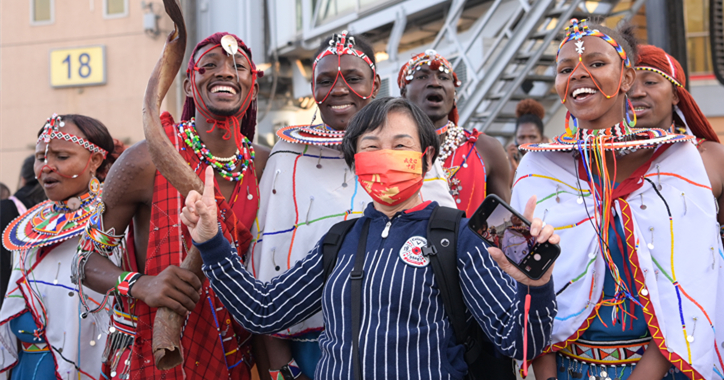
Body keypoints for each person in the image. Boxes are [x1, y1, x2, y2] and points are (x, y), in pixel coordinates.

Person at [184, 97, 559, 379]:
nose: (385, 157)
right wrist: (212, 241)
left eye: (400, 145)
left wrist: (535, 284)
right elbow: (262, 310)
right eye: (371, 146)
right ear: (354, 161)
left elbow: (520, 343)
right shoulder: (339, 241)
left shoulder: (455, 235)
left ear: (426, 158)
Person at [519, 19, 724, 379]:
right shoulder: (536, 168)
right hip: (565, 369)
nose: (578, 74)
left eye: (597, 63)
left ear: (628, 76)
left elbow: (694, 283)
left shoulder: (677, 161)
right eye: (565, 68)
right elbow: (529, 286)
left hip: (662, 368)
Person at [252, 32, 456, 379]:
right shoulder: (287, 155)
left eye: (354, 77)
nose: (339, 90)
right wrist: (284, 366)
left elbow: (444, 243)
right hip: (312, 350)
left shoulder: (409, 148)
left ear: (375, 83)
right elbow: (267, 262)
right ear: (313, 89)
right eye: (326, 80)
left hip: (408, 340)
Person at [74, 32, 269, 380]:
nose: (225, 72)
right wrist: (141, 285)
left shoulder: (269, 165)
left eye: (238, 66)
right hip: (158, 355)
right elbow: (84, 261)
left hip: (242, 354)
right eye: (209, 65)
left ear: (252, 88)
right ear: (190, 85)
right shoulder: (145, 160)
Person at [0, 114, 120, 380]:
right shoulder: (36, 223)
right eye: (41, 157)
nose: (46, 167)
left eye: (61, 157)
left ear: (96, 160)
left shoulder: (113, 221)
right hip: (25, 367)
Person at [630, 44, 724, 290]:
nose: (637, 92)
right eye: (627, 84)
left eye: (650, 82)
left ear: (675, 95)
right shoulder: (598, 160)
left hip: (701, 312)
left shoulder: (714, 159)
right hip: (624, 319)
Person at [400, 50, 512, 215]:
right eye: (422, 77)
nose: (435, 83)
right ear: (404, 95)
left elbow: (504, 224)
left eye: (444, 78)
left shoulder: (486, 148)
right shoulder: (390, 150)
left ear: (455, 95)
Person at [0, 155, 47, 306]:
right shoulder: (60, 213)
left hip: (7, 296)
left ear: (23, 179)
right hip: (46, 298)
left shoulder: (4, 209)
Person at [506, 99, 547, 174]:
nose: (527, 142)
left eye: (533, 137)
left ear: (542, 139)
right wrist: (513, 166)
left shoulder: (551, 164)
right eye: (521, 137)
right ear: (515, 140)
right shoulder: (507, 165)